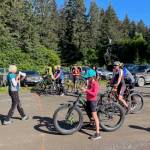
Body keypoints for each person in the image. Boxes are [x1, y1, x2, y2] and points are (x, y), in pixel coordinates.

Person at [81, 69, 101, 140]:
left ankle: (98, 133)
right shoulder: (90, 82)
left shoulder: (95, 83)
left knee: (95, 116)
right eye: (87, 78)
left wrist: (86, 90)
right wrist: (84, 90)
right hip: (89, 100)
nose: (87, 79)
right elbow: (89, 90)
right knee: (88, 112)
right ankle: (91, 123)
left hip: (93, 101)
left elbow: (94, 94)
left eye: (88, 77)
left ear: (92, 77)